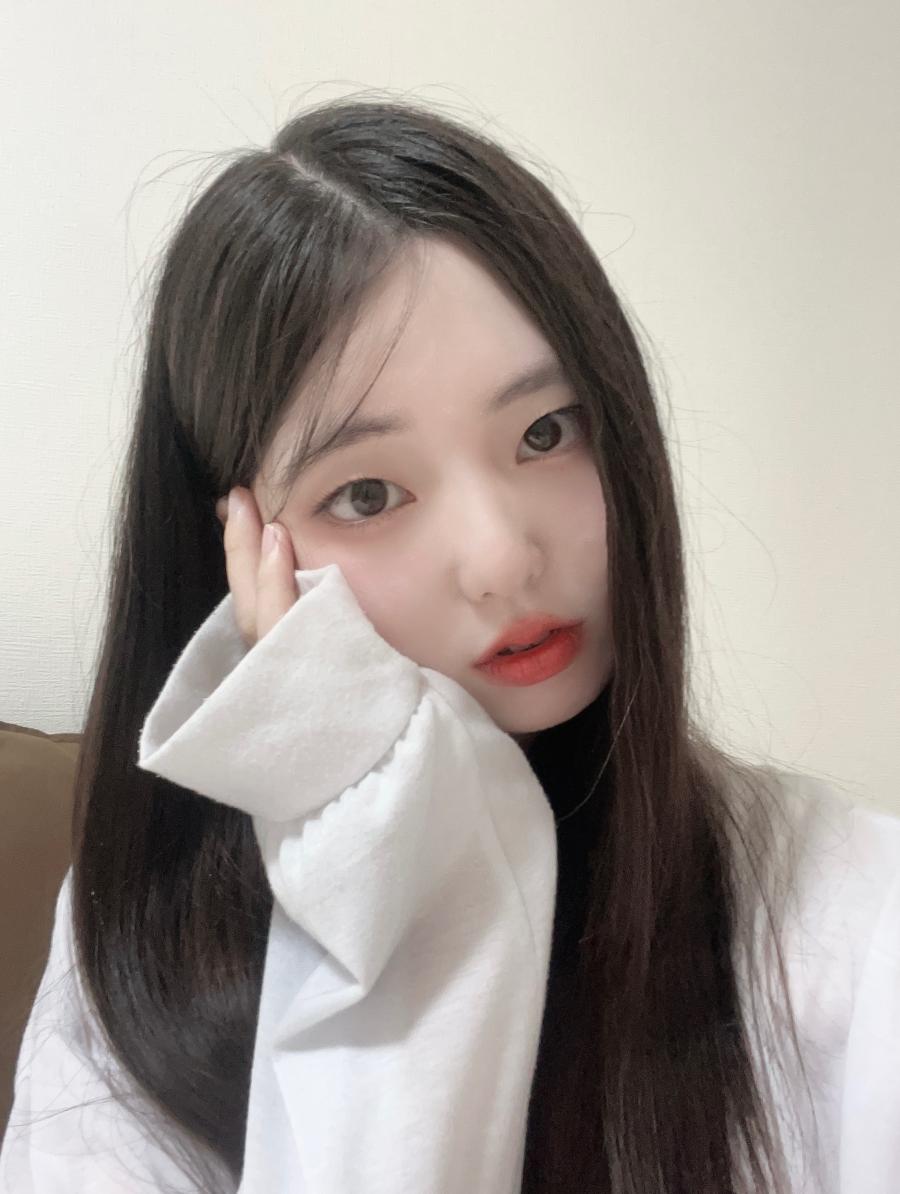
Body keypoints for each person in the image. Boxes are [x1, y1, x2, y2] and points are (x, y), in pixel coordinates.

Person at [2, 94, 898, 1194]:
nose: (500, 560)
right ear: (240, 552)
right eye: (367, 493)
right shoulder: (137, 958)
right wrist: (381, 846)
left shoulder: (847, 915)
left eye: (544, 432)